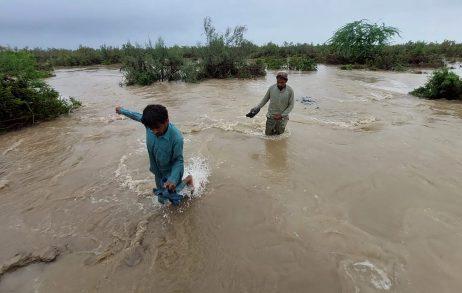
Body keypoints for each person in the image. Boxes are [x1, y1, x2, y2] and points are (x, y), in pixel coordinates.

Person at [115, 104, 193, 204]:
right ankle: (183, 182)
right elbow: (136, 116)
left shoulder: (176, 138)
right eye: (151, 128)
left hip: (172, 171)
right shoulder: (150, 125)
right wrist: (121, 110)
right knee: (161, 199)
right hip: (157, 170)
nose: (154, 131)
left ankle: (187, 179)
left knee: (175, 201)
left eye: (157, 127)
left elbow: (178, 160)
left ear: (166, 121)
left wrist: (173, 179)